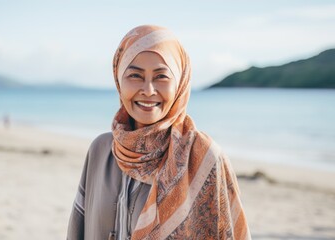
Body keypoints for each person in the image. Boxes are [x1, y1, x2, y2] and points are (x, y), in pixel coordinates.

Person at [67, 25, 251, 240]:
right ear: (119, 79)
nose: (148, 90)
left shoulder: (205, 158)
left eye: (161, 76)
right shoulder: (101, 150)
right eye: (135, 75)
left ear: (180, 83)